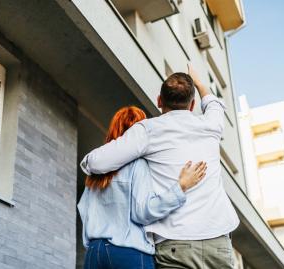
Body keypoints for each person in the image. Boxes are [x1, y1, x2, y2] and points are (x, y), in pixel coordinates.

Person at [80, 63, 239, 269]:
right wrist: (198, 82)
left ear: (159, 101)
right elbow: (213, 103)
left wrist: (89, 163)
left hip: (175, 243)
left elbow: (96, 162)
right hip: (218, 241)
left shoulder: (148, 130)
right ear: (192, 106)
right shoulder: (211, 125)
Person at [78, 106, 208, 269]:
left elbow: (83, 208)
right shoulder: (138, 165)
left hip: (94, 253)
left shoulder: (95, 173)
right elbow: (143, 212)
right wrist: (180, 187)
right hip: (129, 251)